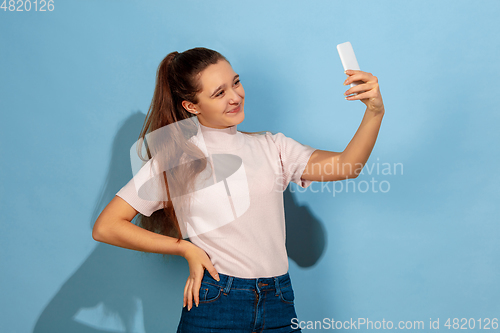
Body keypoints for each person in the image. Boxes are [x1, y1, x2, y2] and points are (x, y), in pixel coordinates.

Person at [92, 47, 384, 332]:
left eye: (236, 82)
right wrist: (185, 249)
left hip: (279, 301)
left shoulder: (273, 147)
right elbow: (106, 226)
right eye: (219, 93)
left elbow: (347, 166)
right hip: (217, 302)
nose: (235, 97)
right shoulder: (176, 160)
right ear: (191, 106)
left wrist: (374, 111)